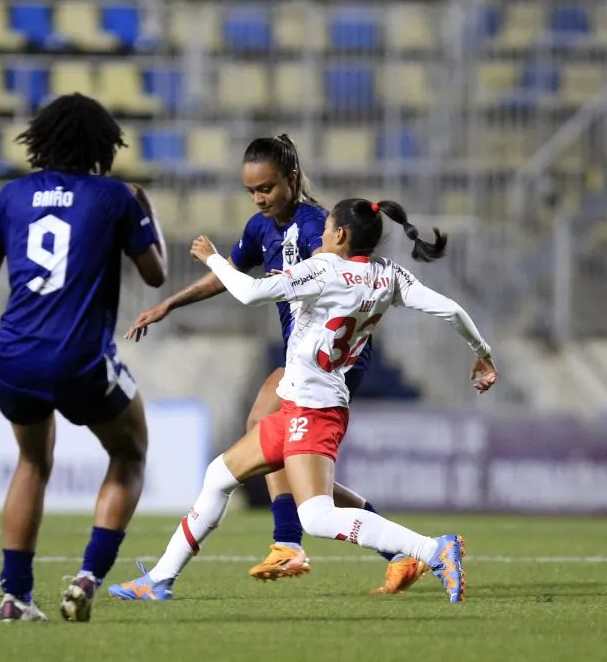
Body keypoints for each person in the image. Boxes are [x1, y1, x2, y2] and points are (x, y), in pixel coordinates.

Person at [109, 197, 497, 604]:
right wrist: (482, 353)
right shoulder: (389, 274)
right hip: (302, 402)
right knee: (219, 476)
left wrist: (213, 258)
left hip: (314, 409)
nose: (321, 235)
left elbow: (250, 292)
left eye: (327, 228)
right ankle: (159, 580)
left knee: (316, 516)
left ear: (340, 234)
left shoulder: (324, 269)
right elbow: (451, 309)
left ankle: (432, 550)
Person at [125, 135, 425, 594]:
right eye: (251, 190)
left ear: (292, 179)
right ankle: (397, 552)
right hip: (299, 357)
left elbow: (351, 280)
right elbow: (229, 273)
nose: (259, 198)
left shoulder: (317, 228)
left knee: (263, 429)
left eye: (266, 188)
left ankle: (288, 542)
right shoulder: (261, 227)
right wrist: (170, 303)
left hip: (329, 361)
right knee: (291, 463)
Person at [0, 93, 167, 623]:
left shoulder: (12, 195)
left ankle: (15, 597)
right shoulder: (115, 196)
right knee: (130, 453)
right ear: (103, 145)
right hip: (78, 356)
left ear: (42, 141)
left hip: (14, 356)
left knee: (32, 462)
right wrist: (146, 210)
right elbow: (156, 275)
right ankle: (87, 576)